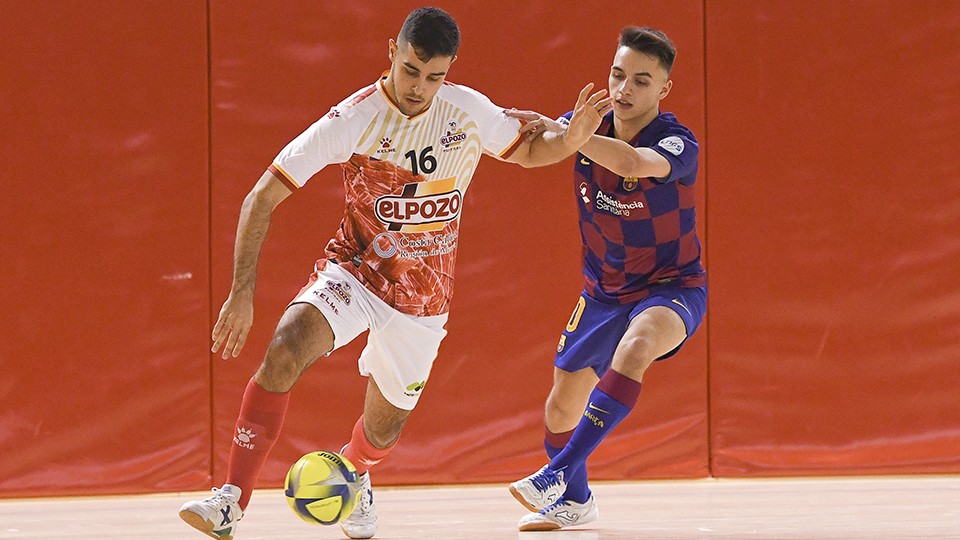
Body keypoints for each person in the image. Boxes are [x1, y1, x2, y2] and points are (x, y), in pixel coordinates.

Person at [177, 7, 612, 540]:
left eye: (436, 77)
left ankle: (356, 476)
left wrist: (571, 141)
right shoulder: (354, 119)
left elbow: (527, 152)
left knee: (384, 429)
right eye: (411, 70)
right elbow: (260, 197)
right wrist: (242, 293)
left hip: (423, 300)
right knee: (286, 346)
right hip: (355, 272)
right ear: (392, 51)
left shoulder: (466, 110)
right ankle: (230, 501)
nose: (420, 88)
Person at [505, 26, 707, 531]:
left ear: (663, 89)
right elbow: (547, 146)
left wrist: (576, 135)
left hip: (671, 286)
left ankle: (556, 472)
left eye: (641, 80)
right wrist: (548, 130)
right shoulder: (583, 125)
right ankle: (576, 500)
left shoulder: (678, 143)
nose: (624, 88)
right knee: (559, 408)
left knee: (636, 349)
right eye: (618, 74)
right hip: (601, 292)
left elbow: (633, 162)